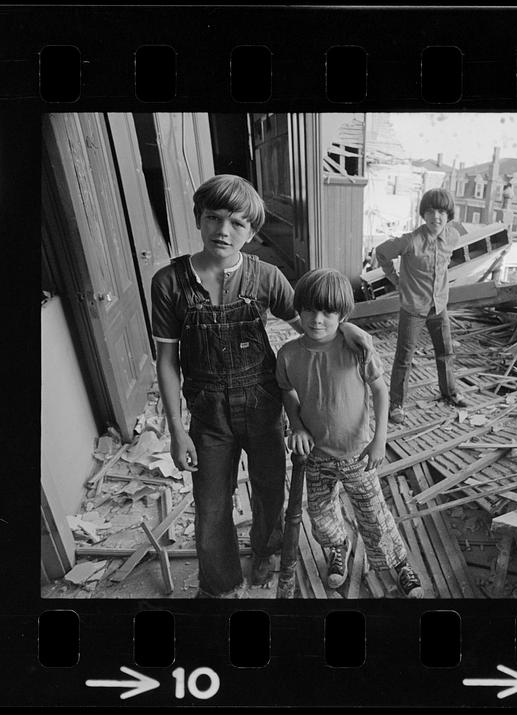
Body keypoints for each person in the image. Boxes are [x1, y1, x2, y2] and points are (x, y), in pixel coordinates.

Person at [151, 174, 373, 598]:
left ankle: (267, 551)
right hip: (208, 412)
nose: (223, 230)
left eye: (237, 223)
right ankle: (219, 583)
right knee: (211, 502)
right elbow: (166, 361)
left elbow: (313, 325)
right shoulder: (168, 283)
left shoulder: (267, 277)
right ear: (198, 219)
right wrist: (178, 432)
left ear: (251, 232)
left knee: (270, 488)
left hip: (263, 402)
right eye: (214, 218)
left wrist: (349, 331)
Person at [275, 268, 424, 598]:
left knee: (374, 513)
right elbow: (287, 392)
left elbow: (381, 393)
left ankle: (399, 563)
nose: (317, 320)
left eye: (328, 312)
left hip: (358, 454)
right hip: (316, 457)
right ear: (298, 309)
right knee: (321, 513)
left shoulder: (357, 349)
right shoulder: (288, 355)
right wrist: (297, 426)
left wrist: (379, 439)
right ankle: (337, 549)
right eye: (310, 310)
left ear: (342, 314)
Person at [375, 187, 467, 425]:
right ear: (423, 214)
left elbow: (446, 261)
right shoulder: (410, 241)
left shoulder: (453, 236)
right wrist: (395, 280)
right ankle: (396, 404)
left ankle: (449, 392)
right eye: (431, 211)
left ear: (449, 216)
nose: (436, 216)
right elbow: (382, 252)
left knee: (445, 351)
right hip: (414, 308)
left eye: (442, 212)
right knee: (404, 357)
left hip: (439, 305)